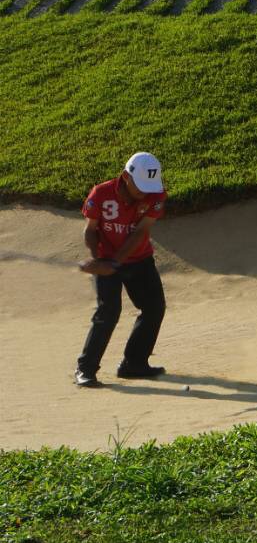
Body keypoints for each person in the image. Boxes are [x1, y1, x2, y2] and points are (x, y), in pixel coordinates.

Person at [74, 152, 168, 388]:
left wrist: (114, 264)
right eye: (141, 187)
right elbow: (90, 230)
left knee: (154, 308)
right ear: (126, 176)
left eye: (149, 187)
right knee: (109, 312)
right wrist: (98, 260)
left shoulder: (156, 196)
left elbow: (140, 233)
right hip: (105, 256)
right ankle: (85, 369)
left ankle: (134, 364)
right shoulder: (101, 193)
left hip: (139, 259)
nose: (145, 193)